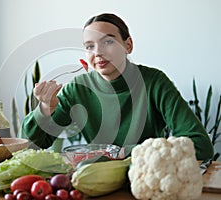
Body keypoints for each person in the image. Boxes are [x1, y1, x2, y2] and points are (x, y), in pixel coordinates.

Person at [21, 13, 214, 160]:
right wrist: (45, 109)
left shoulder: (154, 82)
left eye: (108, 41)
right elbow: (35, 143)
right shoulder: (77, 88)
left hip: (144, 178)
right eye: (89, 46)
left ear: (128, 45)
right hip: (95, 182)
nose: (98, 52)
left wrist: (126, 152)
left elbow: (200, 145)